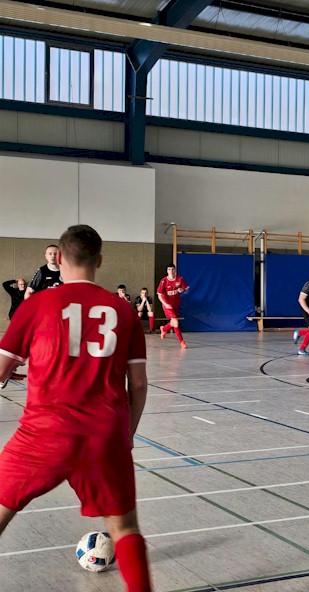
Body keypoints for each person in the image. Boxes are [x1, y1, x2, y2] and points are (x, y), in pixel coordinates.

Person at [0, 225, 152, 592]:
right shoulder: (122, 309)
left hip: (44, 433)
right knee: (125, 529)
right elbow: (140, 385)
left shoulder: (35, 305)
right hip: (106, 434)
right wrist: (124, 438)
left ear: (60, 260)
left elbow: (2, 368)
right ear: (99, 261)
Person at [157, 263, 189, 349]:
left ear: (175, 270)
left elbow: (186, 291)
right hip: (168, 305)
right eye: (169, 269)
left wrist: (182, 290)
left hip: (176, 304)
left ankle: (164, 329)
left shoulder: (180, 279)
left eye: (172, 269)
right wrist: (166, 304)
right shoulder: (163, 281)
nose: (171, 271)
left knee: (173, 322)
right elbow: (159, 295)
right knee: (175, 322)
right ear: (167, 271)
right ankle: (182, 342)